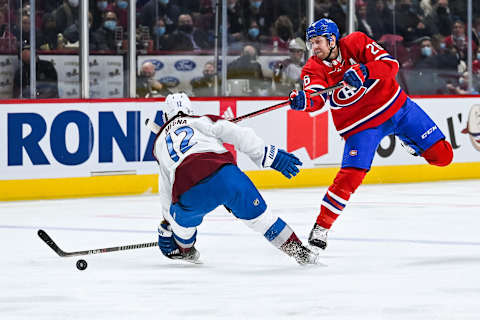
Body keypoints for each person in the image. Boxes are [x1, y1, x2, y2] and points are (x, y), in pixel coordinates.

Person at [288, 18, 453, 250]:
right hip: (360, 126)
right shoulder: (313, 68)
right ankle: (322, 227)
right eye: (311, 43)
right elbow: (315, 97)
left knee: (443, 157)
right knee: (350, 176)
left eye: (318, 42)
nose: (314, 47)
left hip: (398, 108)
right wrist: (304, 102)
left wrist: (366, 70)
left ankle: (409, 140)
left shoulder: (356, 42)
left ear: (332, 39)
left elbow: (391, 65)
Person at [153, 93, 318, 265]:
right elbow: (237, 133)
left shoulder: (159, 144)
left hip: (189, 191)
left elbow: (165, 187)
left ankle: (186, 250)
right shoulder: (202, 120)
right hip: (226, 176)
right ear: (190, 109)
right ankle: (301, 253)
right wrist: (267, 154)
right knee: (263, 220)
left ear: (165, 116)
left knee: (183, 229)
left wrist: (168, 223)